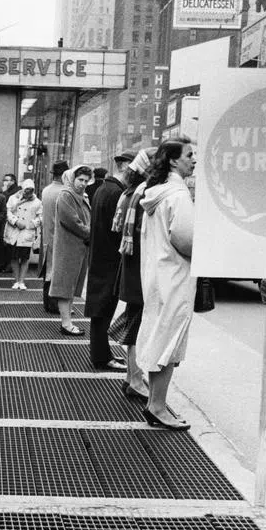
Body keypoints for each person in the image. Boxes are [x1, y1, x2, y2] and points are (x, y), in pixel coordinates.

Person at [134, 141, 197, 430]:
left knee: (159, 336)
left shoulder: (154, 194)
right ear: (173, 162)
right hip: (175, 277)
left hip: (157, 276)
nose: (194, 160)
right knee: (169, 343)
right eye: (189, 155)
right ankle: (157, 405)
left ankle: (156, 403)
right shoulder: (179, 195)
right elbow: (185, 240)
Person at [113, 147, 157, 401]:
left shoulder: (131, 193)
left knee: (135, 325)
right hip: (141, 272)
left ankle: (133, 377)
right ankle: (136, 379)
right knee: (139, 328)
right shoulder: (144, 195)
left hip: (132, 271)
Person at [85, 152, 133, 370]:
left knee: (100, 310)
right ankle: (102, 357)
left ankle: (102, 354)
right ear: (125, 167)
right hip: (109, 260)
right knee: (103, 310)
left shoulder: (104, 189)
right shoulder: (117, 193)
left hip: (100, 257)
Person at [50, 167, 93, 336]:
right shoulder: (66, 195)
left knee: (70, 287)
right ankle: (66, 324)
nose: (83, 184)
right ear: (72, 179)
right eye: (80, 179)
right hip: (68, 249)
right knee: (65, 287)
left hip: (76, 248)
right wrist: (91, 233)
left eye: (86, 181)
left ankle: (67, 322)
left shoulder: (78, 196)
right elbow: (72, 221)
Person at [38, 160, 69, 314]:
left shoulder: (46, 190)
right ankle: (55, 305)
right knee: (58, 273)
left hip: (47, 236)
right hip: (60, 237)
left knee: (48, 271)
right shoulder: (64, 192)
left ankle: (48, 303)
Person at [5, 178, 41, 290]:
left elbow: (41, 216)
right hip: (15, 232)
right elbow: (8, 211)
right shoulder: (13, 198)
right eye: (26, 190)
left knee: (25, 258)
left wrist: (31, 224)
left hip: (26, 233)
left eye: (31, 190)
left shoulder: (37, 202)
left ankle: (22, 281)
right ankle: (16, 281)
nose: (28, 192)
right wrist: (15, 221)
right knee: (14, 258)